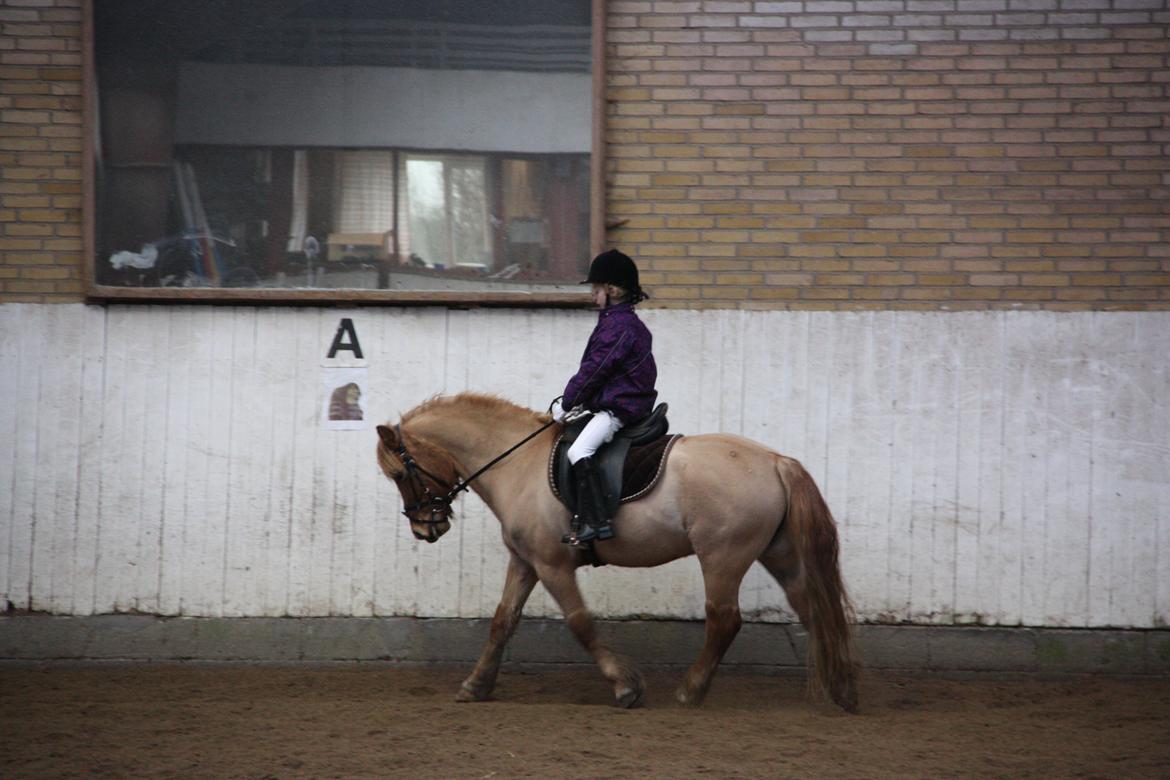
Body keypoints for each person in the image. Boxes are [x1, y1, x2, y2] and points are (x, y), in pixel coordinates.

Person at [551, 249, 657, 545]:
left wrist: (567, 402)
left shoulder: (619, 327)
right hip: (617, 401)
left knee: (578, 451)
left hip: (621, 407)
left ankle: (597, 521)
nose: (593, 295)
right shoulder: (617, 322)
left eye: (597, 289)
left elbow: (595, 370)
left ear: (612, 290)